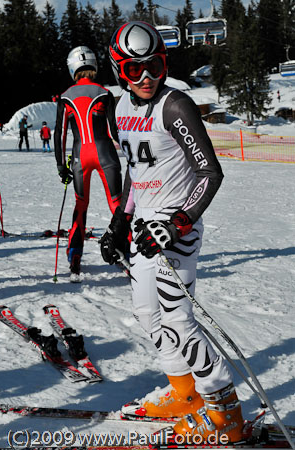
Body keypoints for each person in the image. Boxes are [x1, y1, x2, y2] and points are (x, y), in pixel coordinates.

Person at [100, 21, 244, 443]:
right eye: (134, 71)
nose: (147, 78)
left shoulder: (174, 105)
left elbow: (209, 173)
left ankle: (226, 413)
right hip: (145, 224)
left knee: (178, 320)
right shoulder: (118, 110)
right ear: (117, 70)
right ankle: (185, 393)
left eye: (156, 66)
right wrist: (120, 221)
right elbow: (135, 168)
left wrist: (178, 221)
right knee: (148, 314)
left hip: (177, 225)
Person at [54, 46, 122, 277]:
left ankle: (74, 253)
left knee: (81, 205)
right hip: (105, 154)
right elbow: (115, 131)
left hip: (79, 157)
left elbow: (60, 134)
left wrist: (61, 165)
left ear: (72, 68)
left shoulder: (65, 96)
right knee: (118, 206)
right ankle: (129, 252)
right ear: (93, 65)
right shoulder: (104, 93)